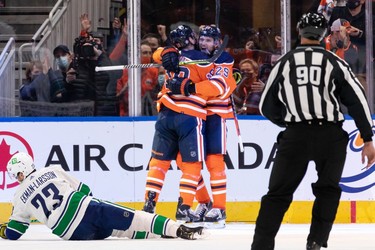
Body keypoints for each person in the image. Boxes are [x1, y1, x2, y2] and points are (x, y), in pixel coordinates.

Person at [251, 12, 375, 250]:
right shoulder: (335, 62)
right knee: (328, 190)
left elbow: (266, 105)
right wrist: (367, 139)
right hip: (330, 136)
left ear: (299, 31)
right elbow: (357, 101)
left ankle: (261, 246)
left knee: (277, 195)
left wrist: (289, 122)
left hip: (296, 135)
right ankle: (316, 241)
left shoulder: (285, 62)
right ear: (324, 34)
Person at [0, 152, 203, 241]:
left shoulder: (18, 196)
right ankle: (175, 229)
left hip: (71, 234)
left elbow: (14, 233)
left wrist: (3, 231)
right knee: (131, 220)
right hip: (85, 210)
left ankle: (164, 232)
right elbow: (86, 190)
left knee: (116, 229)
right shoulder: (51, 170)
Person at [142, 25, 221, 222]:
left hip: (166, 115)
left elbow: (157, 55)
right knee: (191, 165)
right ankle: (184, 207)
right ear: (192, 39)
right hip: (190, 116)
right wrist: (193, 86)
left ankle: (149, 204)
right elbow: (216, 88)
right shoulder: (206, 60)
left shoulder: (172, 56)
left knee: (158, 163)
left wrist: (166, 49)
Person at [181, 25, 237, 227]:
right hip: (194, 115)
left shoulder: (224, 59)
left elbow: (220, 87)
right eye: (201, 39)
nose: (204, 43)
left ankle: (220, 208)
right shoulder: (193, 55)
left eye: (208, 40)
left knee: (214, 161)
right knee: (186, 161)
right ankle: (204, 202)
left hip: (215, 114)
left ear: (216, 42)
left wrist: (193, 87)